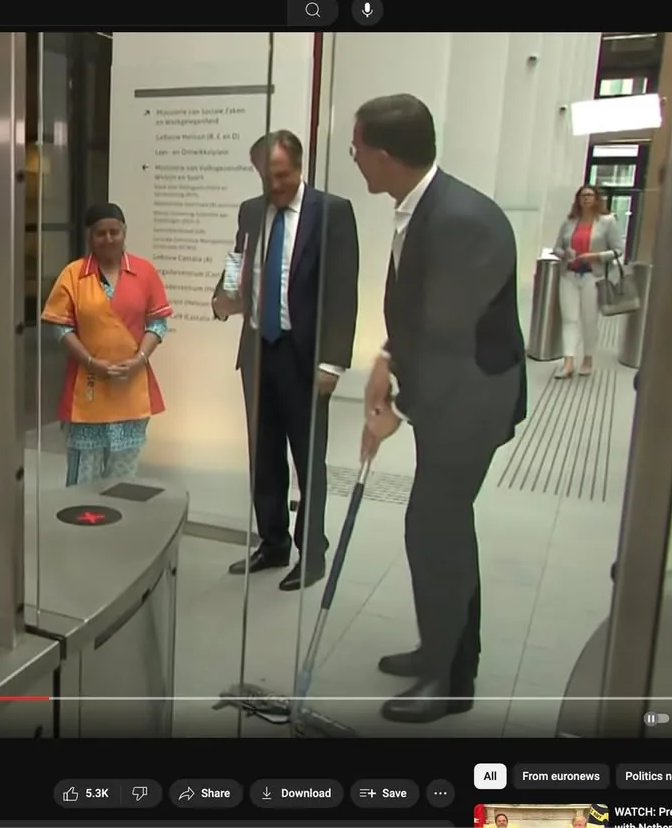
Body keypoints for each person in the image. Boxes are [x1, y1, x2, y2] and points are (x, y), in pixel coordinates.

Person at [354, 94, 527, 723]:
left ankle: (453, 679)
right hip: (448, 389)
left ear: (384, 153)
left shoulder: (459, 218)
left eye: (356, 146)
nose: (352, 157)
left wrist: (397, 406)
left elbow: (452, 336)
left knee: (437, 528)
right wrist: (386, 359)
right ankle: (441, 649)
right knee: (438, 528)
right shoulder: (422, 207)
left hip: (470, 396)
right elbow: (422, 315)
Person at [211, 129, 360, 592]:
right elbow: (240, 261)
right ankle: (273, 542)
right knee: (265, 455)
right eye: (266, 176)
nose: (275, 185)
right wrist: (223, 293)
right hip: (258, 352)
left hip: (304, 356)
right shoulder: (251, 211)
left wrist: (333, 362)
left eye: (282, 175)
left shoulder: (331, 212)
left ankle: (311, 551)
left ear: (299, 167)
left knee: (307, 459)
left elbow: (342, 291)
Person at [41, 203, 173, 485]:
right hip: (87, 390)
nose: (109, 239)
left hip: (131, 389)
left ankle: (119, 529)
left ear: (124, 232)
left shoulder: (144, 272)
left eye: (115, 232)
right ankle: (81, 530)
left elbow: (158, 323)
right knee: (83, 482)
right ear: (90, 236)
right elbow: (60, 326)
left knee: (123, 480)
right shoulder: (73, 274)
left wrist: (138, 359)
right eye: (101, 233)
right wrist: (91, 362)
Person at [552, 185, 626, 378]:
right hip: (569, 274)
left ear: (596, 199)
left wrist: (597, 256)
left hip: (593, 276)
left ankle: (588, 359)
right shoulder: (569, 223)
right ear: (577, 199)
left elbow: (618, 250)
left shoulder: (607, 222)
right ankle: (568, 362)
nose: (586, 198)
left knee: (589, 320)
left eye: (590, 195)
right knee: (569, 320)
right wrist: (564, 253)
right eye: (583, 195)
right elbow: (557, 247)